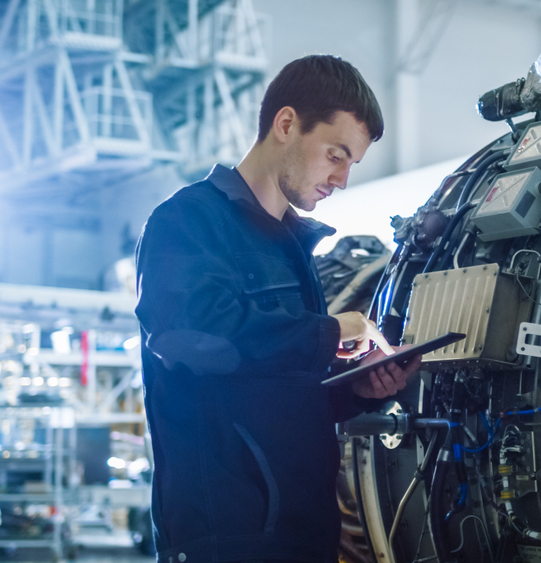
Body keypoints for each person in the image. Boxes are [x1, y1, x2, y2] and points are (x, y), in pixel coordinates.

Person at [135, 55, 420, 563]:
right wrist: (328, 333)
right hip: (228, 538)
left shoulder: (291, 247)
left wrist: (359, 390)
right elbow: (194, 338)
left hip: (304, 534)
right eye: (336, 154)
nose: (342, 178)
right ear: (286, 124)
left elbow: (283, 390)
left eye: (352, 163)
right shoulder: (187, 220)